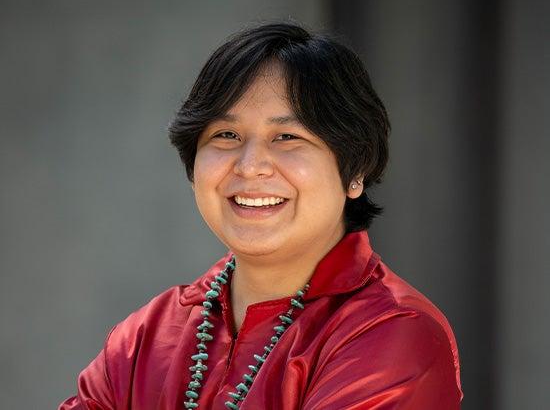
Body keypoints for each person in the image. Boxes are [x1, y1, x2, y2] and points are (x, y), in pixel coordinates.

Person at [59, 21, 462, 409]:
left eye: (287, 137)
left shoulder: (394, 331)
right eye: (226, 135)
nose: (250, 166)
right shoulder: (146, 336)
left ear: (354, 171)